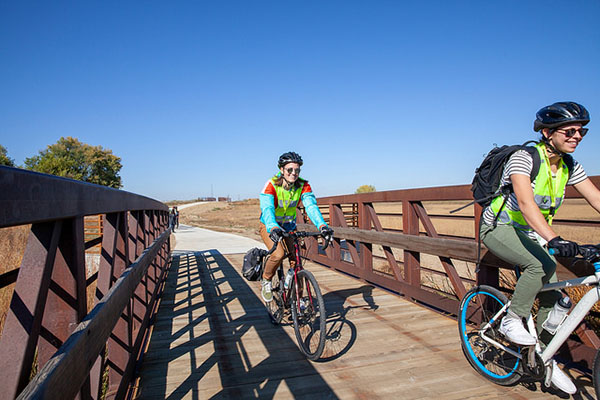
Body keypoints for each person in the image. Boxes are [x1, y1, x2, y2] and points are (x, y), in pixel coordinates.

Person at [480, 101, 600, 394]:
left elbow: (596, 198)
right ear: (547, 132)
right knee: (540, 266)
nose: (578, 136)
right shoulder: (524, 158)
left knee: (557, 298)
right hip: (499, 227)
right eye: (570, 130)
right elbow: (525, 202)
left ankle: (545, 359)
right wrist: (554, 238)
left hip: (532, 232)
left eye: (582, 130)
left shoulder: (571, 165)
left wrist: (547, 237)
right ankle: (511, 320)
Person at [259, 151, 333, 302]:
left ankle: (297, 299)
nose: (294, 173)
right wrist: (273, 227)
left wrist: (322, 226)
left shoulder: (303, 185)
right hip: (269, 225)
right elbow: (267, 209)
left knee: (297, 262)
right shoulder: (271, 185)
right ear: (282, 170)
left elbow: (311, 206)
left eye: (297, 170)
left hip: (289, 226)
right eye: (290, 170)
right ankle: (266, 279)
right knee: (278, 255)